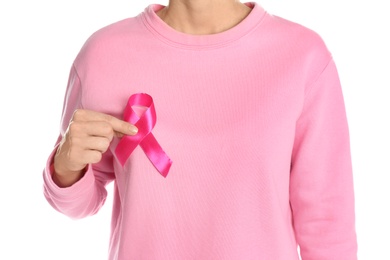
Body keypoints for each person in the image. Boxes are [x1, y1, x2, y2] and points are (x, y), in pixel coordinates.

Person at [42, 0, 358, 259]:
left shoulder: (302, 57)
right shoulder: (103, 55)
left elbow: (327, 228)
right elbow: (77, 202)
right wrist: (65, 166)